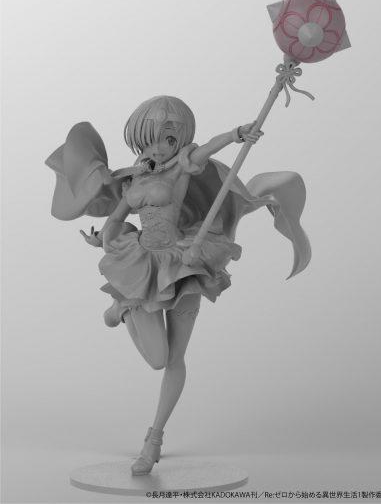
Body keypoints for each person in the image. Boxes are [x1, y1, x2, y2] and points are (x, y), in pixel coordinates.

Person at [46, 95, 311, 475]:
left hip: (184, 262)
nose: (161, 146)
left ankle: (153, 439)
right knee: (157, 358)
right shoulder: (133, 177)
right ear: (141, 139)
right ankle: (124, 306)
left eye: (170, 139)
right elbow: (117, 219)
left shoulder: (183, 166)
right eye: (153, 138)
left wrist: (237, 134)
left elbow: (207, 150)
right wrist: (104, 240)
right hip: (142, 263)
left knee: (174, 359)